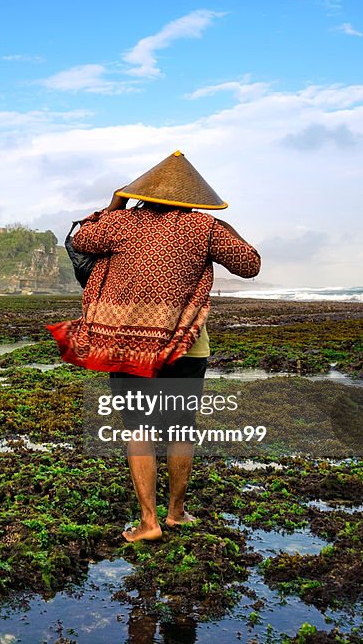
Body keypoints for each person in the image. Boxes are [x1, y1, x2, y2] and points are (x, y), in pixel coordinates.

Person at [48, 151, 261, 543]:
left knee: (139, 432)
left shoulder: (121, 223)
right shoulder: (205, 227)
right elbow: (250, 264)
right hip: (186, 346)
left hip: (128, 345)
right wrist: (221, 223)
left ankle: (149, 523)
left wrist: (116, 202)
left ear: (143, 192)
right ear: (194, 195)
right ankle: (176, 513)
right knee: (181, 430)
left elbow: (81, 239)